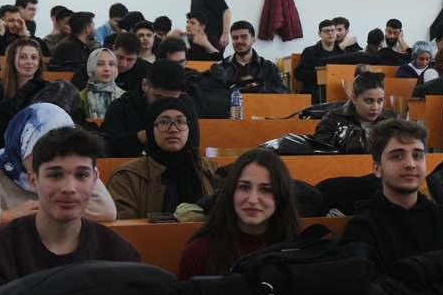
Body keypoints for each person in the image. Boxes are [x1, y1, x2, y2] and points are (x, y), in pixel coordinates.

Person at [0, 126, 140, 295]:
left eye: (81, 175)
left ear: (95, 180)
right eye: (55, 175)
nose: (69, 188)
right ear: (33, 180)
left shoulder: (121, 255)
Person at [342, 120, 443, 276]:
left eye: (417, 156)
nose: (411, 164)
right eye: (397, 156)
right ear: (377, 168)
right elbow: (372, 287)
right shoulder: (362, 227)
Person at [0, 104, 116, 227]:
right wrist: (6, 216)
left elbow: (105, 210)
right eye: (40, 152)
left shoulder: (76, 165)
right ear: (23, 147)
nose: (51, 161)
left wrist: (46, 211)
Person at [177, 149, 300, 280]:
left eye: (266, 189)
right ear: (231, 192)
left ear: (281, 196)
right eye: (244, 187)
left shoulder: (299, 252)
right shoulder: (198, 252)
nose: (252, 200)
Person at [109, 97, 217, 219]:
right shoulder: (127, 176)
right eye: (164, 122)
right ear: (150, 129)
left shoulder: (210, 170)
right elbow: (125, 226)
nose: (173, 129)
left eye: (181, 121)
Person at [104, 60, 192, 158]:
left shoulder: (185, 103)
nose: (165, 105)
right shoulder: (119, 107)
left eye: (172, 100)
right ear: (145, 85)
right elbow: (113, 147)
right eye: (159, 98)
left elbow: (192, 146)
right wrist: (148, 135)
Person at [313, 71, 398, 154]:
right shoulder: (334, 118)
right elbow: (319, 147)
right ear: (354, 99)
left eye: (380, 101)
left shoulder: (393, 118)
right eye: (369, 101)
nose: (375, 107)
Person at [215, 21, 287, 94]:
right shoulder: (221, 67)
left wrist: (258, 87)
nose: (239, 41)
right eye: (235, 38)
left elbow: (283, 92)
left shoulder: (269, 67)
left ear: (253, 40)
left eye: (244, 37)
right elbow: (211, 91)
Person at [0, 38, 44, 106]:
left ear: (39, 62)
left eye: (34, 57)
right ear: (12, 61)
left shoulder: (46, 92)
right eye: (23, 57)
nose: (29, 62)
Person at [293, 19, 344, 100]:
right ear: (319, 34)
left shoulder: (341, 53)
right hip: (314, 90)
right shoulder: (310, 51)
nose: (330, 33)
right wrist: (321, 73)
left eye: (332, 30)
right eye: (326, 31)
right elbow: (299, 74)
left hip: (336, 89)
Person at [78, 48, 123, 119]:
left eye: (111, 64)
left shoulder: (125, 96)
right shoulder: (80, 98)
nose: (107, 69)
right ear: (91, 66)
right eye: (100, 64)